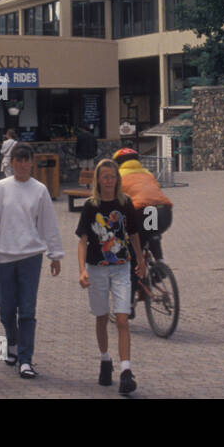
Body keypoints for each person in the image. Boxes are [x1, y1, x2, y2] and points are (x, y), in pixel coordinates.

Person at [0, 143, 65, 380]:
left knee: (27, 310)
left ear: (32, 162)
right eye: (19, 160)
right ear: (11, 162)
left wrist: (55, 254)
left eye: (27, 160)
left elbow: (49, 224)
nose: (23, 164)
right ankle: (12, 344)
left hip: (30, 258)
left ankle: (25, 360)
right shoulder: (1, 188)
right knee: (7, 310)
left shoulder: (40, 190)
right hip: (4, 257)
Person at [76, 159, 145, 395]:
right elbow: (82, 241)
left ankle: (126, 370)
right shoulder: (90, 206)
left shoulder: (125, 204)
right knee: (101, 317)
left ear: (118, 180)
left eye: (112, 177)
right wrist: (82, 270)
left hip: (121, 267)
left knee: (123, 319)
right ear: (98, 180)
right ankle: (105, 360)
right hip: (96, 268)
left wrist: (141, 260)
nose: (109, 181)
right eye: (104, 177)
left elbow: (134, 234)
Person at [111, 148, 173, 261]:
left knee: (134, 243)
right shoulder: (147, 173)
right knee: (153, 234)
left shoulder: (117, 176)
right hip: (163, 210)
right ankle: (160, 264)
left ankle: (136, 274)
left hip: (140, 211)